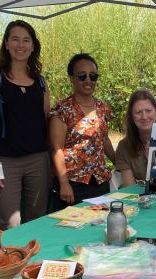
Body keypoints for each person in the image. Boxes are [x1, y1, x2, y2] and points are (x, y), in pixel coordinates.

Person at [0, 20, 50, 230]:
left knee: (38, 218)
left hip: (38, 159)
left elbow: (46, 122)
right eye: (15, 39)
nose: (21, 45)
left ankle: (36, 261)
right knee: (10, 222)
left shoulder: (41, 82)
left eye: (26, 40)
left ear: (33, 46)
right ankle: (12, 262)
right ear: (6, 44)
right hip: (4, 162)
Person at [49, 53, 115, 209]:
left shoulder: (103, 108)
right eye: (81, 76)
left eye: (93, 76)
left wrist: (120, 163)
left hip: (100, 181)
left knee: (99, 225)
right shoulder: (63, 110)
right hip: (73, 184)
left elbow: (104, 140)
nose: (88, 80)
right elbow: (56, 149)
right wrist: (64, 183)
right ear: (72, 78)